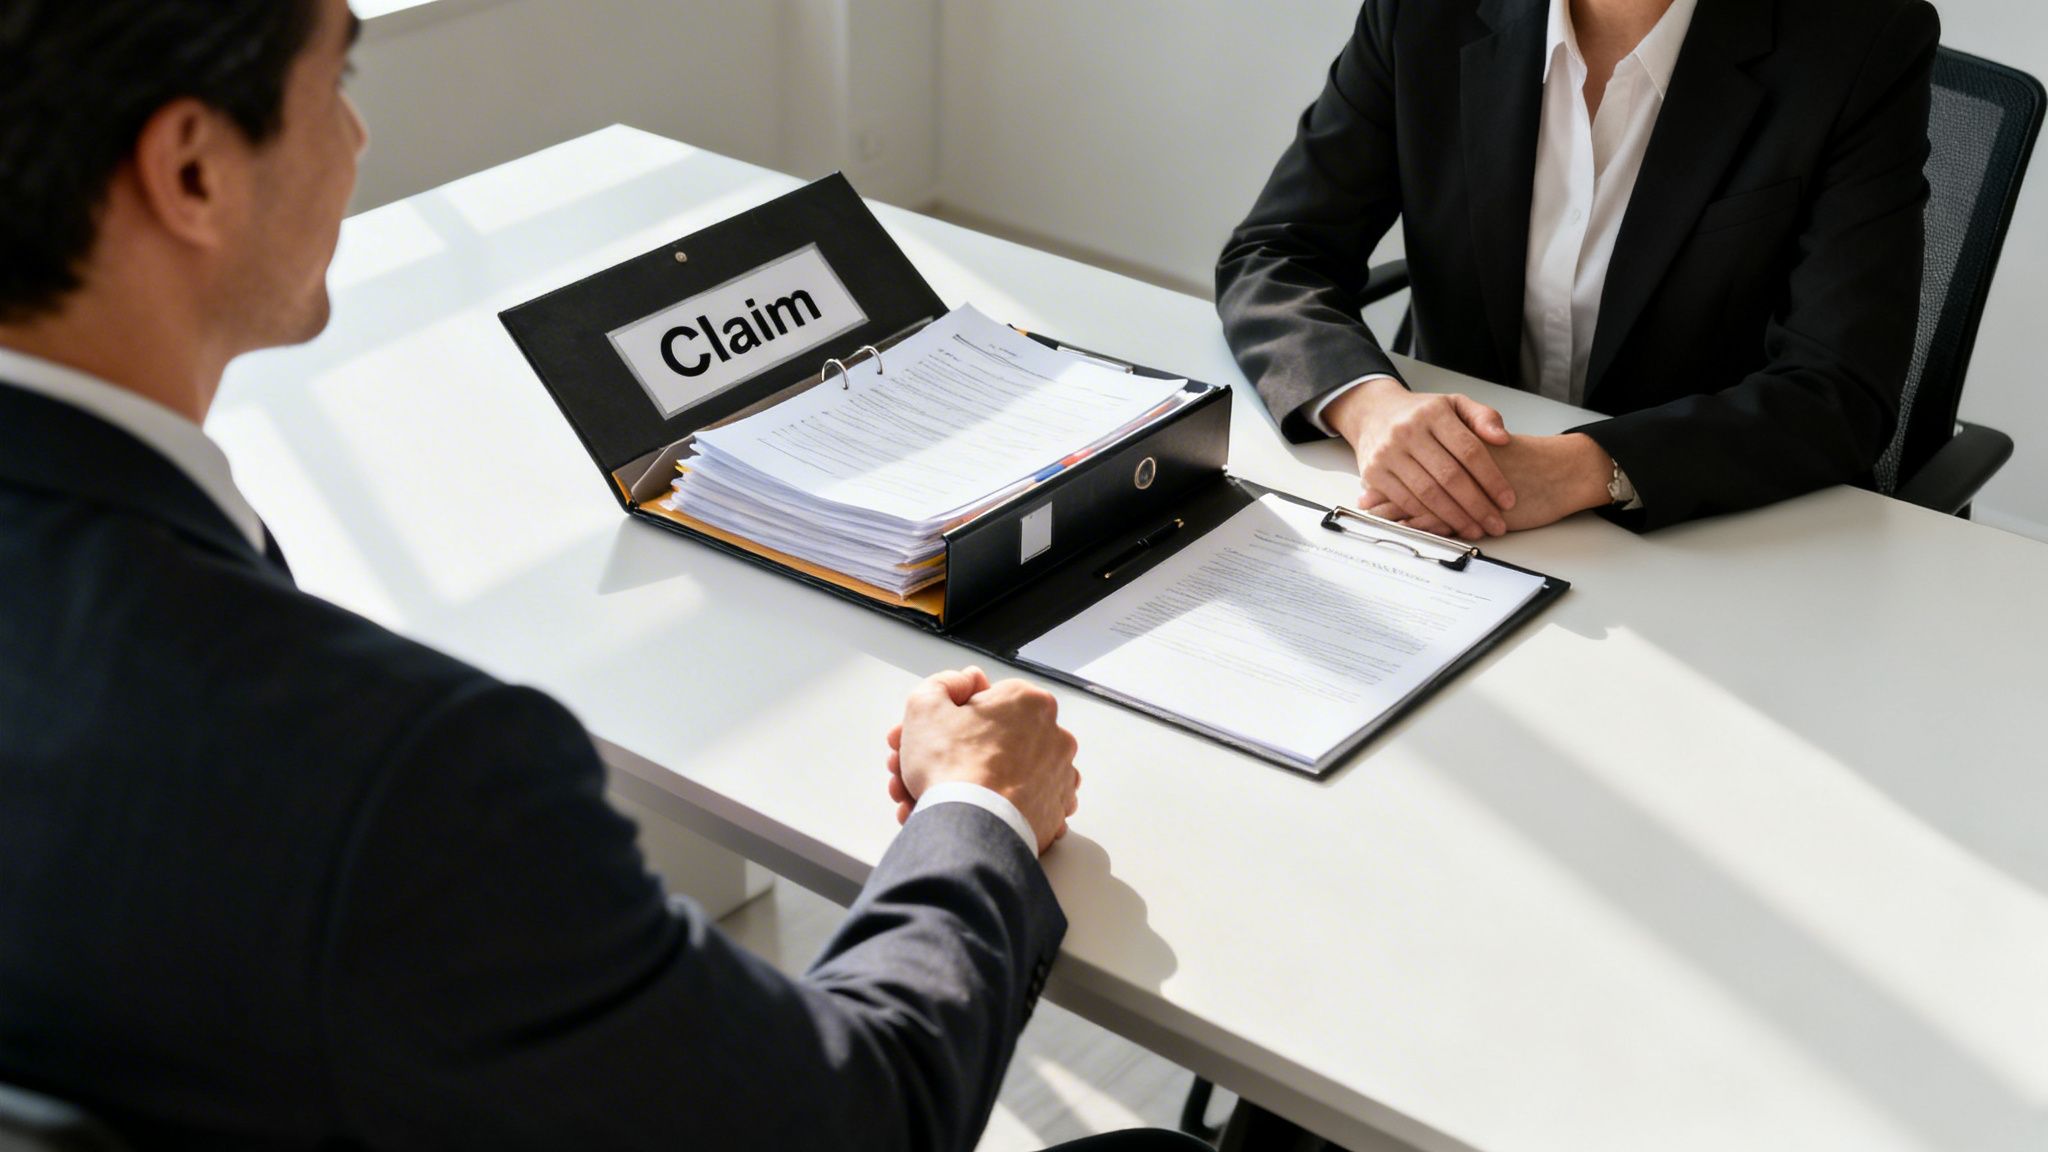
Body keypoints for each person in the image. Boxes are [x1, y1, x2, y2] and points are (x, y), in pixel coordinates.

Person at [0, 2, 1208, 1149]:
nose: (358, 135)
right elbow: (850, 1122)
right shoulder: (407, 775)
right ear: (193, 169)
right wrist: (979, 805)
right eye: (337, 79)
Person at [1217, 0, 1937, 537]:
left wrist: (1584, 468)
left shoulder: (1860, 41)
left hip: (1701, 533)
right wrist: (1370, 407)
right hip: (1447, 514)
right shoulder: (1427, 11)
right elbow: (1278, 250)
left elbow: (1840, 388)